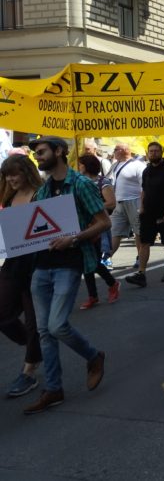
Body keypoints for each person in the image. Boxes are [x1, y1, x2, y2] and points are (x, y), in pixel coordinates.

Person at [25, 136, 110, 414]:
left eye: (41, 152)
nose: (38, 157)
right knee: (43, 331)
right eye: (36, 153)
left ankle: (93, 356)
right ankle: (53, 389)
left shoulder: (82, 184)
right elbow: (34, 229)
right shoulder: (43, 190)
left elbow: (103, 222)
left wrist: (74, 239)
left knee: (57, 325)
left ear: (59, 152)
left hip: (68, 264)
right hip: (42, 267)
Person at [0, 154, 42, 398]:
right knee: (3, 315)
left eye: (14, 174)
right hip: (13, 263)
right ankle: (35, 347)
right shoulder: (8, 196)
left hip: (38, 265)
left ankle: (29, 370)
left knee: (33, 321)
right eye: (7, 175)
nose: (11, 179)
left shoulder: (42, 194)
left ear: (26, 171)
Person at [124, 142, 164, 288]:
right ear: (147, 153)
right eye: (151, 151)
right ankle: (141, 274)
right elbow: (144, 190)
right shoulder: (147, 170)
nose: (153, 153)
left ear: (162, 152)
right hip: (148, 212)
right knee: (144, 242)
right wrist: (141, 206)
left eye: (156, 151)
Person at [77, 155, 120, 310]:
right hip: (83, 225)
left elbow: (111, 202)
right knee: (86, 261)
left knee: (92, 262)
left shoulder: (103, 182)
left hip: (97, 225)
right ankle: (93, 295)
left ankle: (111, 284)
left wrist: (91, 204)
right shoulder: (78, 182)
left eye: (80, 165)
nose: (78, 167)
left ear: (87, 166)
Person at [107, 143, 145, 264]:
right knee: (114, 230)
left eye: (115, 149)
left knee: (138, 232)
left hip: (135, 201)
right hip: (118, 202)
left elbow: (145, 187)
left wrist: (143, 206)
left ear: (124, 150)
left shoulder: (138, 165)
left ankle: (140, 257)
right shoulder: (115, 165)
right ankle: (106, 258)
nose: (114, 152)